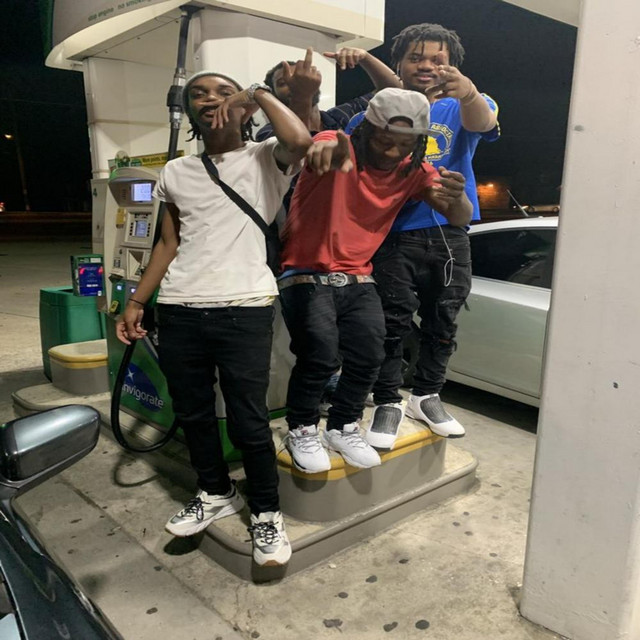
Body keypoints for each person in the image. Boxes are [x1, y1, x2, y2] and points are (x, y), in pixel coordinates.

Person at [116, 71, 311, 566]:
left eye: (222, 92)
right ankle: (215, 490)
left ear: (244, 107)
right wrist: (137, 301)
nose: (210, 99)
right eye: (198, 94)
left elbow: (300, 140)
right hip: (178, 306)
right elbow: (168, 243)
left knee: (248, 418)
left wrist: (257, 92)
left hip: (244, 306)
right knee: (194, 412)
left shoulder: (265, 157)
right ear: (189, 113)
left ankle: (266, 513)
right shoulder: (176, 171)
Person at [279, 88, 472, 473]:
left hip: (358, 274)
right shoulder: (340, 147)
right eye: (385, 140)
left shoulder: (414, 170)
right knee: (319, 355)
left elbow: (459, 217)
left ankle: (342, 426)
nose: (393, 150)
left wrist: (457, 196)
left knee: (371, 354)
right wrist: (323, 146)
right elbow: (322, 142)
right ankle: (301, 428)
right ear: (367, 130)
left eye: (406, 143)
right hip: (305, 271)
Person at [346, 23, 500, 449]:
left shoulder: (466, 104)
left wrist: (467, 92)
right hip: (391, 232)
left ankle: (427, 395)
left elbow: (483, 120)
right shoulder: (372, 116)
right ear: (398, 64)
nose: (426, 65)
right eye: (415, 57)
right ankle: (387, 400)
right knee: (391, 322)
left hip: (451, 230)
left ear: (452, 66)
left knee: (444, 318)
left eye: (438, 59)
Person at [256, 46, 401, 141]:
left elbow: (394, 93)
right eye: (283, 82)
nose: (297, 83)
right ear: (274, 96)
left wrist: (365, 58)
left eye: (302, 77)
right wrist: (302, 96)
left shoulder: (340, 116)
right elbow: (295, 147)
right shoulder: (269, 133)